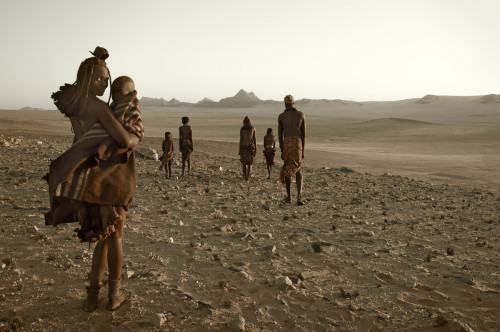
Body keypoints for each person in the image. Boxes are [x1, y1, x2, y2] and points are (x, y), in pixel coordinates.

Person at [44, 47, 143, 312]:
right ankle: (113, 298)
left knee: (102, 237)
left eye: (107, 80)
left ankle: (91, 299)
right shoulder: (98, 107)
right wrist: (136, 137)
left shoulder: (73, 103)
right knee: (116, 238)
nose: (105, 84)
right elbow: (123, 139)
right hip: (106, 181)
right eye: (99, 78)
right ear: (86, 78)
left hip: (85, 181)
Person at [278, 95, 305, 205]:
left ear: (285, 104)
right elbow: (303, 135)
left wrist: (282, 149)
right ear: (294, 103)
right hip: (297, 144)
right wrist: (302, 150)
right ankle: (299, 197)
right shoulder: (300, 115)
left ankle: (289, 197)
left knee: (288, 170)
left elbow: (280, 135)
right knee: (298, 169)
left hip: (287, 145)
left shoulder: (281, 117)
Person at [239, 116, 256, 181]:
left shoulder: (242, 128)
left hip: (243, 147)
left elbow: (241, 140)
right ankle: (247, 177)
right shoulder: (252, 128)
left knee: (244, 163)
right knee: (249, 163)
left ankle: (244, 175)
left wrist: (239, 149)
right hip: (250, 147)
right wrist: (255, 148)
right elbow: (254, 140)